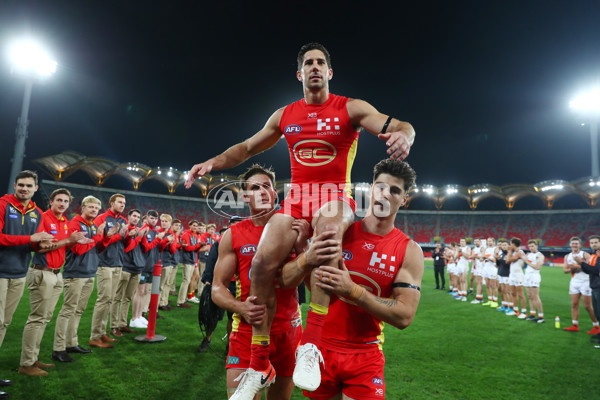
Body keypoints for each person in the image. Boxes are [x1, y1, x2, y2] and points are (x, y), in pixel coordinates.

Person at [186, 42, 415, 397]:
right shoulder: (284, 115)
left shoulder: (350, 108)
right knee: (261, 263)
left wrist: (406, 133)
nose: (314, 67)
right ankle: (260, 362)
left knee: (326, 237)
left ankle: (310, 344)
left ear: (329, 72)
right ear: (299, 73)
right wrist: (211, 163)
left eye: (321, 62)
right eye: (308, 62)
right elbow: (246, 149)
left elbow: (396, 123)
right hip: (296, 201)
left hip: (334, 196)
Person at [280, 159, 423, 399]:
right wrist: (305, 257)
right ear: (370, 189)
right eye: (380, 187)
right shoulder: (339, 232)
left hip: (365, 355)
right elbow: (287, 282)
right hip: (319, 349)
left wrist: (351, 290)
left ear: (404, 199)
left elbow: (404, 315)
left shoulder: (409, 250)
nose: (385, 194)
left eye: (395, 190)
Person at [213, 165, 322, 399]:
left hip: (288, 333)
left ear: (275, 194)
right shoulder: (233, 234)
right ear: (244, 197)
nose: (262, 191)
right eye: (254, 188)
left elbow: (315, 288)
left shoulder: (296, 229)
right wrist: (240, 307)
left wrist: (303, 246)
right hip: (246, 331)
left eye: (267, 187)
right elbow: (217, 288)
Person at [19, 188, 88, 376]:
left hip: (57, 274)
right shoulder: (43, 217)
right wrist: (68, 240)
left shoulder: (65, 221)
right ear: (51, 201)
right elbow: (40, 247)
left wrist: (74, 241)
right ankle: (26, 363)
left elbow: (60, 246)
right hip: (42, 272)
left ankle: (33, 359)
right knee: (36, 318)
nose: (62, 204)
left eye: (66, 201)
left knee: (45, 318)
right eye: (59, 200)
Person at [0, 171, 53, 393]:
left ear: (35, 188)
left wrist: (44, 245)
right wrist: (30, 239)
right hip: (0, 272)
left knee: (4, 324)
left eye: (28, 185)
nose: (24, 188)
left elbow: (33, 244)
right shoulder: (3, 204)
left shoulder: (36, 212)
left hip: (19, 273)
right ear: (14, 185)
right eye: (20, 184)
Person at [52, 195, 107, 362]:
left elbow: (92, 247)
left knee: (79, 310)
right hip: (75, 273)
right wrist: (97, 236)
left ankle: (71, 343)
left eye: (97, 209)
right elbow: (78, 250)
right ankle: (58, 348)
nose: (94, 211)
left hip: (89, 272)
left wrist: (102, 237)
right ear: (83, 207)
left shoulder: (90, 225)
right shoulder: (75, 224)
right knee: (68, 310)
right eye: (91, 207)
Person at [89, 194, 128, 348]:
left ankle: (103, 332)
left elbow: (123, 243)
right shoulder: (101, 218)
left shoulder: (123, 221)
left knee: (110, 300)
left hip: (118, 263)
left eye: (124, 203)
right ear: (111, 203)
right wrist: (118, 235)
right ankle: (94, 336)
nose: (122, 205)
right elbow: (98, 244)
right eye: (120, 202)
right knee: (103, 299)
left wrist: (128, 236)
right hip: (104, 263)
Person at [118, 209, 148, 331]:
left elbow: (144, 249)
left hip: (136, 266)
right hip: (126, 266)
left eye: (138, 216)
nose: (136, 218)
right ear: (128, 216)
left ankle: (123, 323)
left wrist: (141, 236)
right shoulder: (125, 229)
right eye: (134, 216)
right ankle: (116, 325)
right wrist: (138, 238)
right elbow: (127, 249)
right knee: (118, 297)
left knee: (128, 297)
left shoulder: (137, 231)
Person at [563, 237, 599, 333]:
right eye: (573, 243)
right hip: (574, 282)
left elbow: (590, 268)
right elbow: (565, 270)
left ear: (580, 245)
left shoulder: (585, 254)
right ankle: (575, 325)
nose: (575, 245)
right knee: (574, 304)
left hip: (586, 282)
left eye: (576, 243)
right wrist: (573, 269)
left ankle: (596, 326)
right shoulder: (567, 256)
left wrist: (578, 266)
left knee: (587, 306)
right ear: (570, 244)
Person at [573, 235, 600, 345]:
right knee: (598, 313)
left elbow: (596, 270)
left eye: (596, 242)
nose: (593, 244)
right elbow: (590, 271)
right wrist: (582, 263)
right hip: (594, 286)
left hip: (599, 287)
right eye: (592, 243)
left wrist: (582, 263)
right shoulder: (594, 256)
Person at [178, 220, 201, 308]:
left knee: (187, 280)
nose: (195, 227)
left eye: (196, 226)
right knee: (186, 280)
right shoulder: (186, 234)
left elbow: (194, 249)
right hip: (187, 259)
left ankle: (183, 300)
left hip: (192, 259)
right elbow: (187, 248)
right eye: (194, 225)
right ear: (189, 225)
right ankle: (181, 301)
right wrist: (198, 245)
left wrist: (199, 246)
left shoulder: (194, 235)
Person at [521, 240, 545, 323]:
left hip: (534, 276)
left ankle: (541, 316)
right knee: (530, 296)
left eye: (532, 246)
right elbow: (523, 266)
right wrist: (524, 260)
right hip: (527, 276)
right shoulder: (529, 254)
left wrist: (527, 261)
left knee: (536, 296)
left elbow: (537, 267)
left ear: (536, 246)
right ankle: (532, 314)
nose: (531, 248)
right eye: (530, 246)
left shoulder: (540, 255)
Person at [158, 214, 178, 311]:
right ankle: (156, 304)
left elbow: (173, 250)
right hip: (158, 262)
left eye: (166, 221)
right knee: (159, 286)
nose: (164, 223)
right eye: (162, 221)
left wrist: (170, 244)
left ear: (170, 223)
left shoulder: (172, 235)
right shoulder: (157, 232)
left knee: (166, 285)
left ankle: (163, 302)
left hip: (168, 262)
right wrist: (166, 242)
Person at [506, 238, 527, 317]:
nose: (509, 245)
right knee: (513, 293)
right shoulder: (513, 252)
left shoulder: (520, 252)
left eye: (510, 244)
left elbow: (512, 259)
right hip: (512, 275)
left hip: (518, 275)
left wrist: (509, 253)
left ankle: (524, 312)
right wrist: (510, 253)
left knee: (520, 294)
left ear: (514, 244)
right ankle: (515, 310)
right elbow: (507, 262)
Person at [482, 237, 499, 308]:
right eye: (488, 241)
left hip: (492, 268)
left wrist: (487, 257)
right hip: (486, 267)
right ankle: (490, 300)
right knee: (487, 285)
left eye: (490, 241)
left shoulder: (496, 249)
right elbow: (483, 258)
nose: (489, 242)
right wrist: (481, 257)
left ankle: (495, 301)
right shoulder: (486, 249)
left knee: (494, 286)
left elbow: (495, 260)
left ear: (493, 242)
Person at [495, 239, 511, 312]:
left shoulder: (509, 254)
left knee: (507, 291)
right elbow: (498, 265)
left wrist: (499, 259)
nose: (503, 246)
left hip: (507, 274)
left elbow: (507, 264)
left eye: (505, 245)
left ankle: (509, 306)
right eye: (503, 245)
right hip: (500, 274)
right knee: (502, 290)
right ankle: (504, 304)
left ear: (508, 246)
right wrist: (497, 259)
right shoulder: (502, 254)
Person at [470, 238, 484, 303]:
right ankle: (480, 297)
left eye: (477, 241)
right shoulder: (474, 249)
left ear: (480, 242)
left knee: (479, 282)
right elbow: (472, 258)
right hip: (476, 266)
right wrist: (473, 258)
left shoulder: (482, 248)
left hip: (481, 266)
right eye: (475, 241)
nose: (476, 242)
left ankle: (478, 298)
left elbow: (482, 257)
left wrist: (476, 257)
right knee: (478, 282)